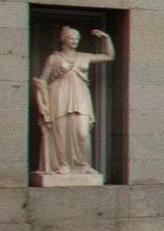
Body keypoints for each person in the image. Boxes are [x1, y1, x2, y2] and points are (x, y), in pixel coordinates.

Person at [34, 27, 112, 175]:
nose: (75, 41)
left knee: (82, 133)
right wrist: (42, 104)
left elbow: (109, 56)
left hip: (80, 96)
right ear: (64, 40)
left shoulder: (84, 56)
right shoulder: (54, 58)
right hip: (59, 95)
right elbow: (42, 81)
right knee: (61, 132)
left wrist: (106, 38)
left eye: (77, 38)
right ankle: (63, 165)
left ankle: (83, 165)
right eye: (71, 38)